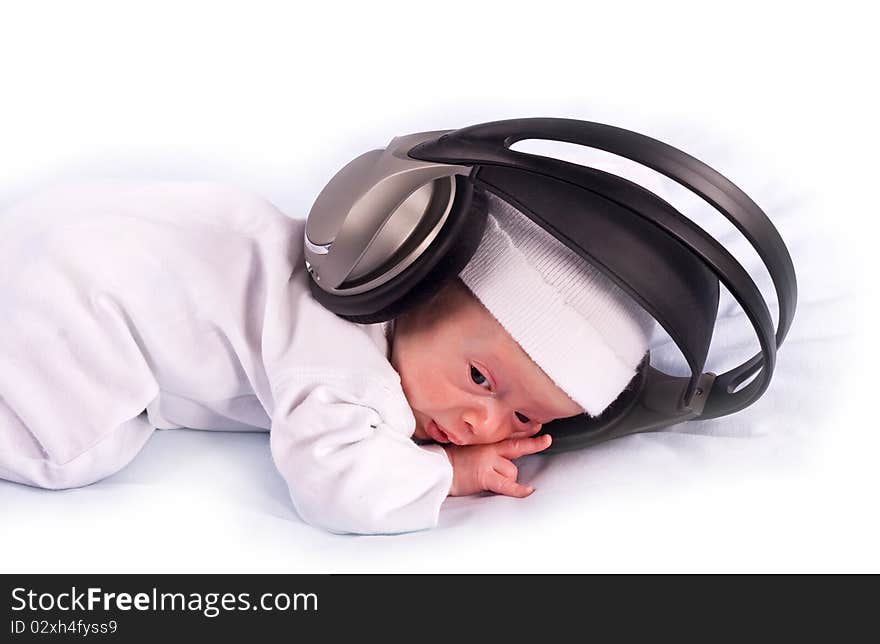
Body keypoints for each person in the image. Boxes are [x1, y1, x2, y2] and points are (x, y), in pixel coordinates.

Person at [0, 180, 653, 534]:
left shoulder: (348, 264)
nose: (483, 424)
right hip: (79, 302)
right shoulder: (345, 365)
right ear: (420, 286)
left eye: (522, 420)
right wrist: (447, 477)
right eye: (480, 378)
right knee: (73, 453)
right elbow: (338, 487)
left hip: (59, 225)